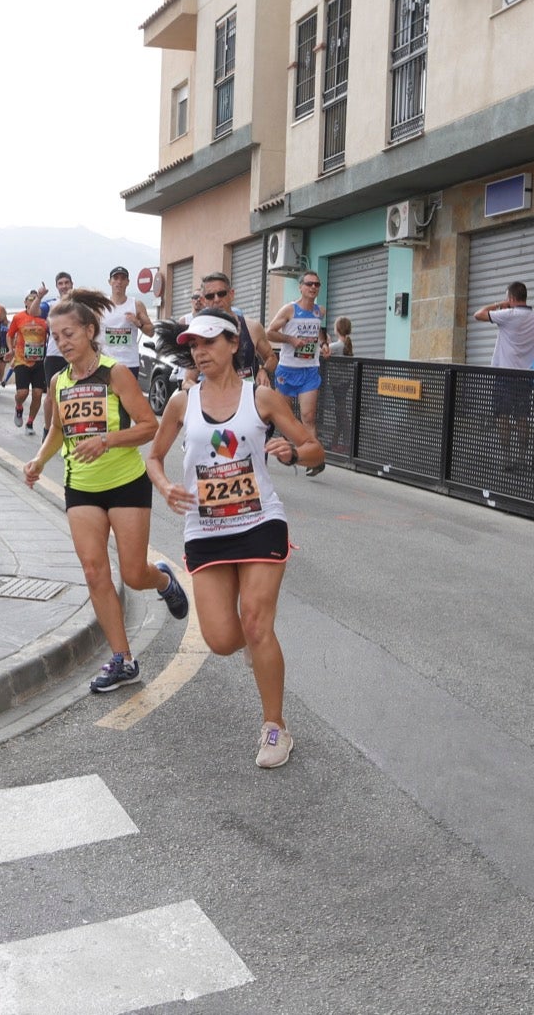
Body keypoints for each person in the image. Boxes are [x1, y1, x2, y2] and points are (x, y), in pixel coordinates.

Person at [145, 309, 325, 768]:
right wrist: (166, 487)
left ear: (232, 344)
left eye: (208, 343)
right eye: (194, 346)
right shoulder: (182, 404)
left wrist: (292, 452)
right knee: (224, 639)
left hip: (260, 520)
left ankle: (275, 728)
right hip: (205, 529)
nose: (200, 352)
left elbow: (314, 449)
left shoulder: (261, 398)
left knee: (258, 621)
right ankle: (251, 647)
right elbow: (154, 458)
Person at [22, 288, 190, 692]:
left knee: (133, 574)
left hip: (125, 484)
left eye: (69, 334)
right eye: (55, 336)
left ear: (90, 330)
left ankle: (162, 579)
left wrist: (108, 441)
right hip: (80, 487)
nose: (61, 342)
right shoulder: (59, 380)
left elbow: (149, 426)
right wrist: (40, 461)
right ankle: (123, 659)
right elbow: (58, 431)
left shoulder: (115, 373)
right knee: (95, 571)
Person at [472, 281, 534, 470]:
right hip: (525, 378)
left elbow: (478, 314)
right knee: (522, 418)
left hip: (504, 376)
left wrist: (500, 304)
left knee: (503, 417)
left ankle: (506, 459)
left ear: (511, 298)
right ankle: (522, 458)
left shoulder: (508, 315)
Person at [267, 272, 326, 476]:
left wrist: (324, 344)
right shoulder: (290, 309)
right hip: (287, 370)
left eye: (317, 284)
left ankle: (315, 459)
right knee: (284, 416)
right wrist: (291, 340)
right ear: (300, 287)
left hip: (309, 370)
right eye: (309, 284)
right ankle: (289, 447)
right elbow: (269, 332)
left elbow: (319, 331)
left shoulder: (320, 312)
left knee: (308, 416)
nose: (313, 287)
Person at [7, 289, 50, 434]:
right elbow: (10, 334)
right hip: (22, 360)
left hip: (39, 361)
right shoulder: (18, 317)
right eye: (29, 300)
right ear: (25, 302)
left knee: (37, 393)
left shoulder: (44, 319)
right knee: (23, 393)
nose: (32, 302)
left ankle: (30, 423)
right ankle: (19, 406)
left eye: (35, 300)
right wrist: (10, 350)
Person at [101, 266, 155, 375]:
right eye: (115, 278)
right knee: (107, 392)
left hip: (129, 363)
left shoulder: (136, 305)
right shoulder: (102, 305)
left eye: (122, 278)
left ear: (127, 282)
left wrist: (138, 323)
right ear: (109, 282)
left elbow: (151, 332)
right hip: (106, 362)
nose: (119, 282)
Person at [36, 271, 75, 390]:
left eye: (66, 283)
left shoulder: (80, 303)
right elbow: (33, 312)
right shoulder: (51, 304)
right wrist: (39, 297)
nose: (64, 286)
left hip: (75, 353)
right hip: (55, 354)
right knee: (51, 393)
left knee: (72, 391)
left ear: (72, 284)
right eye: (60, 283)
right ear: (57, 286)